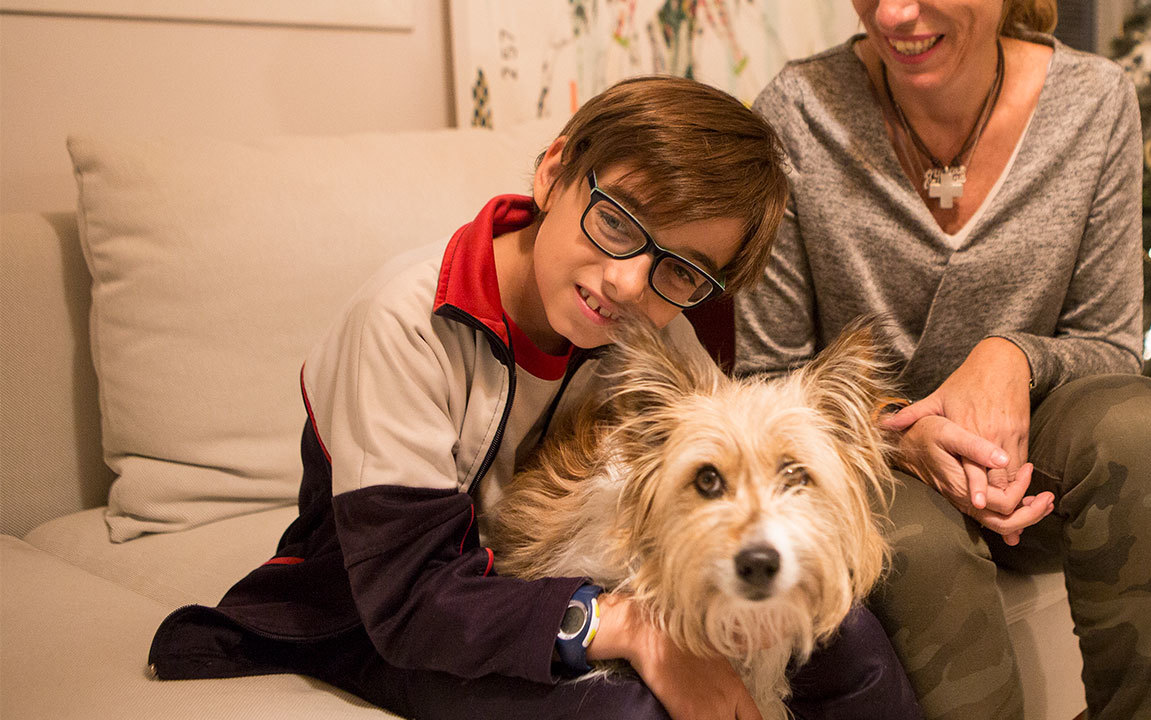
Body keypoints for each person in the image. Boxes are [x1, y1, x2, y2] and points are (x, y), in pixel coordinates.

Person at [149, 76, 922, 720]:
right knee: (628, 709)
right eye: (617, 220)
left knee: (848, 641)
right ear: (553, 172)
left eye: (681, 269)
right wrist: (637, 631)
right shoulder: (405, 321)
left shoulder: (658, 331)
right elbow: (410, 603)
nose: (626, 281)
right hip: (380, 617)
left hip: (557, 574)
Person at [734, 0, 1151, 720]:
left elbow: (1113, 346)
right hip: (870, 459)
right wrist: (900, 432)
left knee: (1150, 434)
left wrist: (1012, 355)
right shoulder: (797, 114)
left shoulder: (1094, 104)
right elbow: (768, 377)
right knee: (913, 546)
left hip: (1034, 457)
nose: (893, 8)